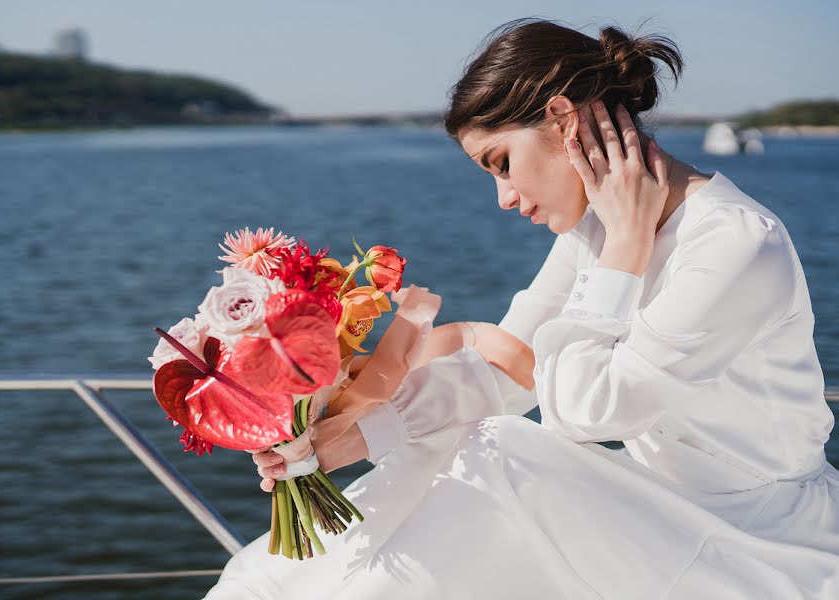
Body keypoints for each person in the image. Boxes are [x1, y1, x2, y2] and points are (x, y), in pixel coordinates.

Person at [203, 18, 839, 599]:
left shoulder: (733, 243)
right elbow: (507, 370)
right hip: (650, 510)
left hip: (758, 539)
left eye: (502, 164)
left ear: (565, 120)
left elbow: (586, 413)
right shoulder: (594, 230)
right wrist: (342, 440)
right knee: (439, 466)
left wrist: (623, 251)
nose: (504, 198)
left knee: (498, 451)